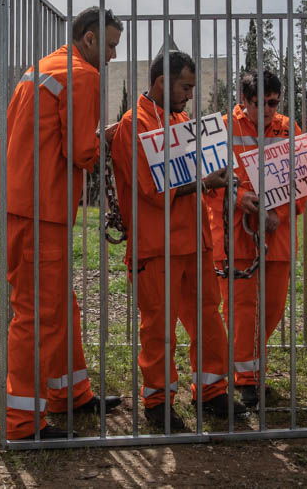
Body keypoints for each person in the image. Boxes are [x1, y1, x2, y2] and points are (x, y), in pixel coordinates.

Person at [0, 6, 124, 440]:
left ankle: (71, 393)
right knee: (38, 314)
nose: (114, 56)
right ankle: (24, 422)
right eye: (112, 45)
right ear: (89, 38)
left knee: (60, 305)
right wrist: (113, 140)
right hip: (41, 207)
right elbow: (82, 151)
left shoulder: (43, 66)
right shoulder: (83, 74)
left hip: (27, 201)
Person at [110, 48, 245, 432]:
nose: (189, 94)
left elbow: (192, 172)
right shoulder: (133, 124)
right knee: (159, 326)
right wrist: (206, 181)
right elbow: (153, 187)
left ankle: (212, 390)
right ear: (161, 83)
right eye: (185, 86)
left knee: (208, 319)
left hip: (195, 242)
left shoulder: (180, 119)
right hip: (156, 246)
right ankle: (158, 402)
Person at [206, 69, 307, 409]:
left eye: (272, 103)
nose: (266, 109)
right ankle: (245, 377)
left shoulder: (288, 128)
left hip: (274, 232)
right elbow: (206, 181)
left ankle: (247, 364)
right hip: (234, 233)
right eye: (258, 103)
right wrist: (238, 199)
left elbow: (306, 176)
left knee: (273, 307)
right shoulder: (222, 128)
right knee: (241, 308)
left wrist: (282, 213)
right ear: (243, 100)